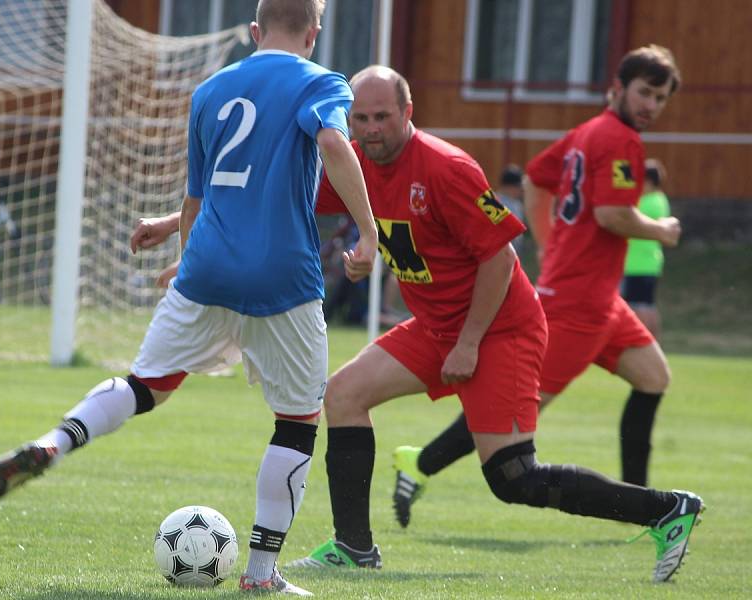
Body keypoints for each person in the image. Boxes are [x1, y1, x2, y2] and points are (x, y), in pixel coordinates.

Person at [131, 62, 704, 584]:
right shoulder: (354, 163)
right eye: (360, 118)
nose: (372, 128)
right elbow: (268, 200)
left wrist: (471, 342)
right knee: (344, 395)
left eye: (383, 116)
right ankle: (355, 547)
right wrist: (169, 225)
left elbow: (501, 257)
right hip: (435, 326)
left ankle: (666, 509)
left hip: (500, 329)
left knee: (512, 478)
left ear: (408, 113)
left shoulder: (447, 168)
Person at [0, 0, 378, 595]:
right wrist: (368, 233)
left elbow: (197, 197)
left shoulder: (211, 90)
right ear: (314, 32)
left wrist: (186, 259)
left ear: (253, 31)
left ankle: (53, 442)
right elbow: (333, 144)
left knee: (146, 386)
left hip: (208, 269)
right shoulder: (321, 82)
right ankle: (262, 575)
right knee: (296, 421)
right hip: (282, 276)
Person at [390, 46, 687, 537]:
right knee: (509, 418)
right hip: (577, 304)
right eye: (644, 92)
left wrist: (550, 245)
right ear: (617, 89)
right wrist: (663, 229)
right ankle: (420, 464)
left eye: (660, 97)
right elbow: (612, 214)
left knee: (654, 377)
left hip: (600, 299)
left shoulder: (587, 132)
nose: (651, 104)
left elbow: (536, 178)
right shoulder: (620, 139)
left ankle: (645, 508)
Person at [621, 159, 671, 339]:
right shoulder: (659, 199)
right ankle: (652, 342)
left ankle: (645, 341)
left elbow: (624, 213)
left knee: (639, 306)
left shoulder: (648, 202)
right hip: (648, 261)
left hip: (638, 262)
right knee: (647, 305)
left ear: (648, 181)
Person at [496, 163, 527, 259]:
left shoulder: (517, 204)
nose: (520, 190)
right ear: (510, 187)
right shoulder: (495, 202)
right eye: (518, 187)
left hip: (514, 254)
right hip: (500, 254)